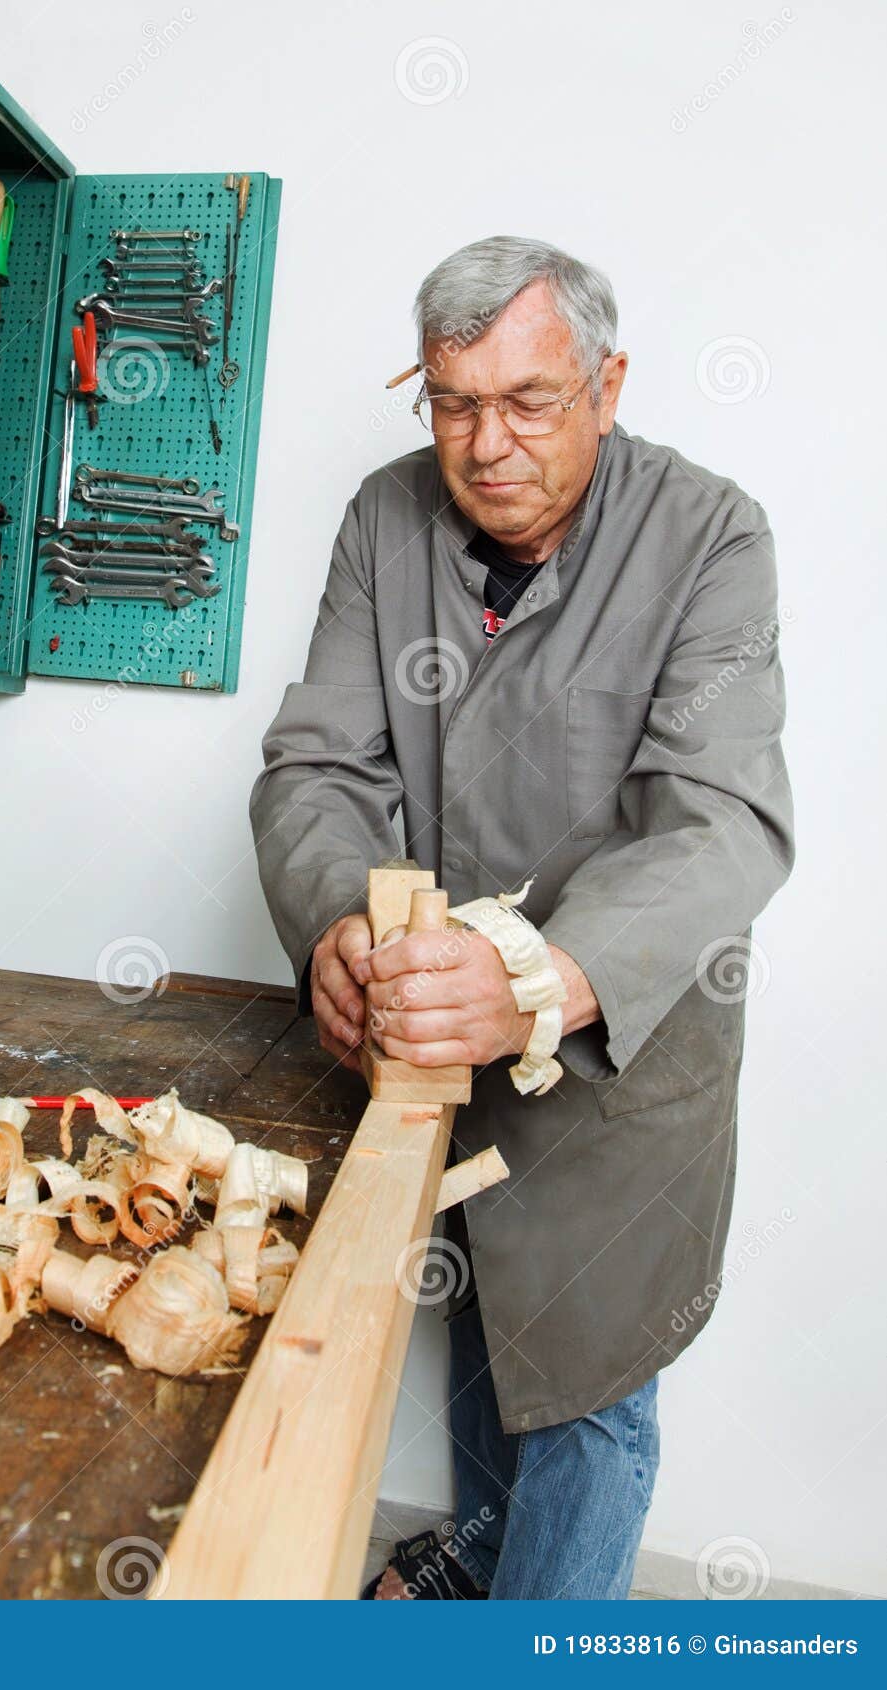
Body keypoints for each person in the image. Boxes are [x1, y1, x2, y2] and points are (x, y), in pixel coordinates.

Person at [248, 236, 794, 1600]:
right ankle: (476, 1573)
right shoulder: (385, 520)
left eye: (528, 402)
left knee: (589, 1393)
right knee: (483, 1344)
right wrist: (330, 926)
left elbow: (719, 815)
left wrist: (540, 980)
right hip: (429, 1050)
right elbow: (317, 764)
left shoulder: (711, 533)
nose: (485, 445)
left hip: (620, 1063)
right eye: (450, 403)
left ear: (606, 387)